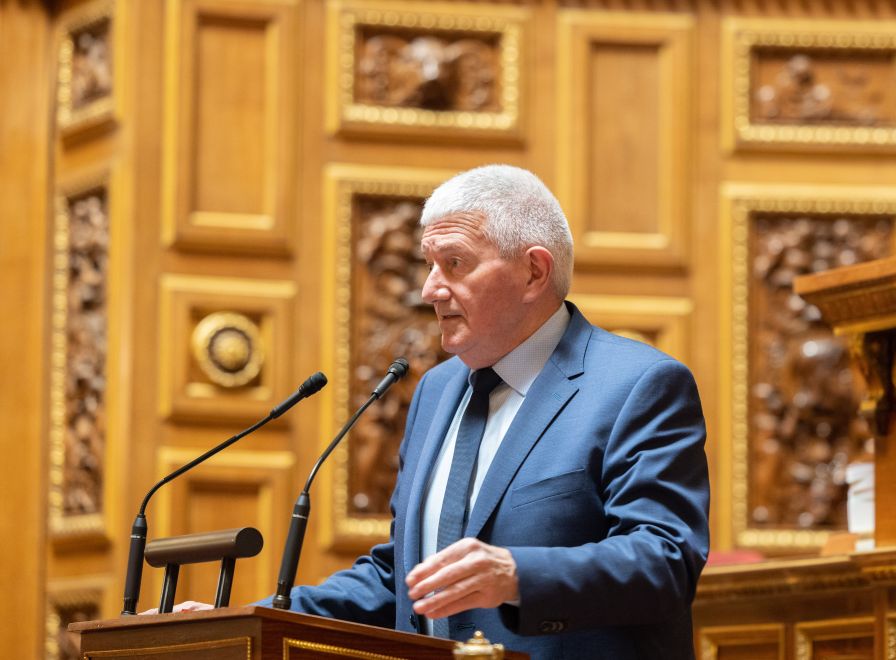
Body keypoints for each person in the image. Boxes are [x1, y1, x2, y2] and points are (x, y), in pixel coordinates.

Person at [179, 164, 710, 658]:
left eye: (454, 263)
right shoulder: (436, 390)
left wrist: (517, 574)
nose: (430, 289)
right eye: (428, 265)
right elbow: (402, 575)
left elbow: (664, 561)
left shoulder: (636, 385)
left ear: (533, 272)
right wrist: (251, 620)